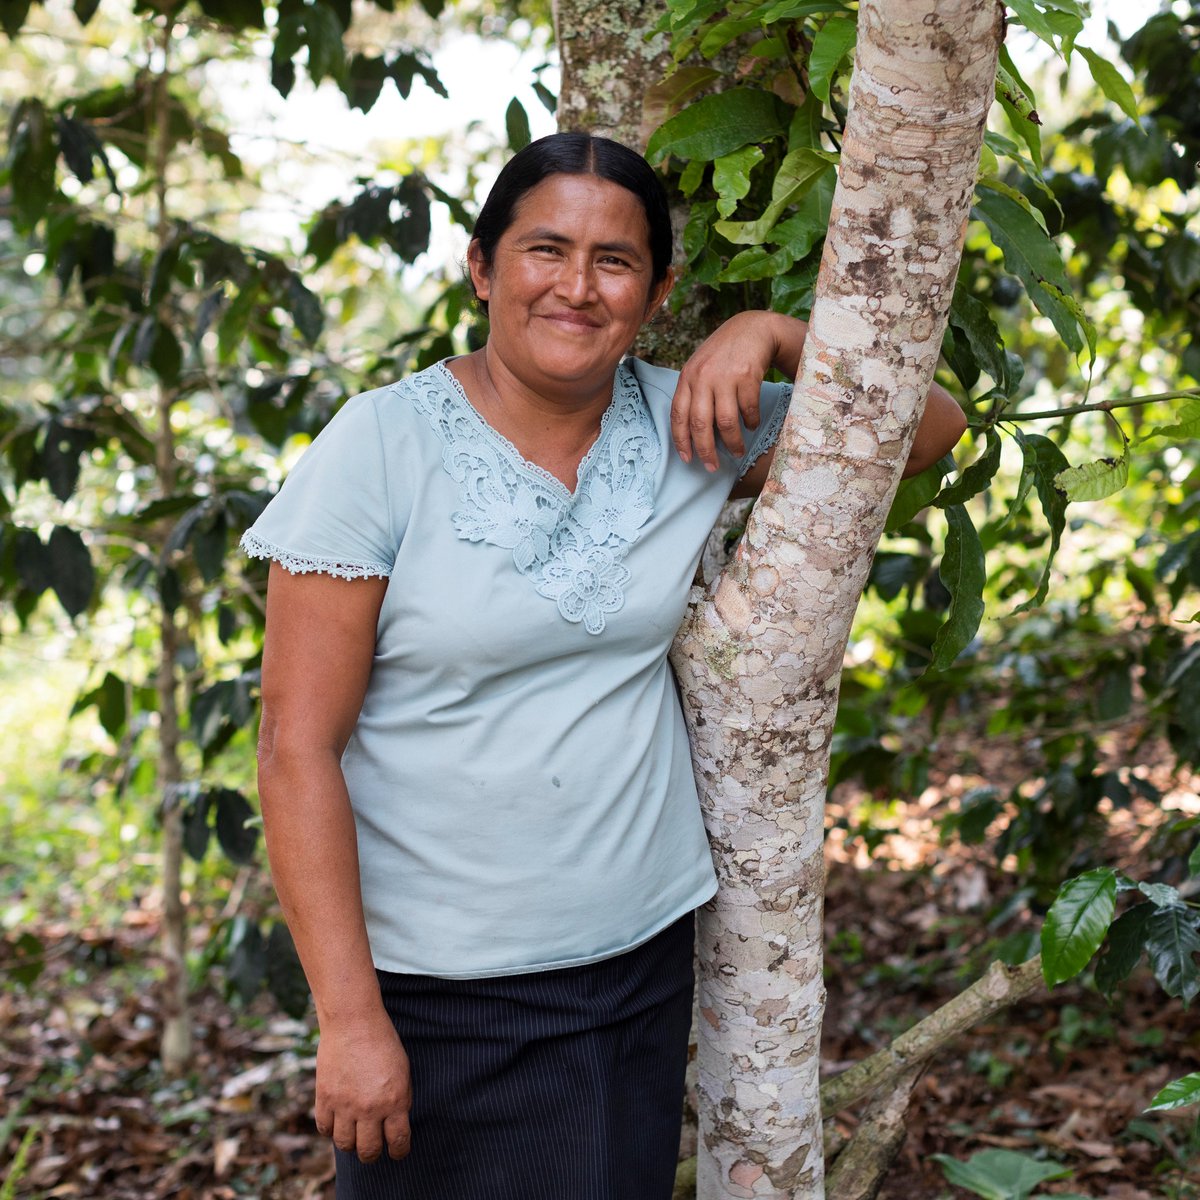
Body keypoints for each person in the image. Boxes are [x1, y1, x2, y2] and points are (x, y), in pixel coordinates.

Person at [242, 132, 966, 1200]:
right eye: (544, 250)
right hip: (434, 991)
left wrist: (767, 333)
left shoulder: (691, 425)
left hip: (631, 969)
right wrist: (350, 1023)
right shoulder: (379, 447)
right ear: (483, 268)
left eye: (614, 261)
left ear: (654, 289)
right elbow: (294, 750)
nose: (576, 287)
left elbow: (926, 429)